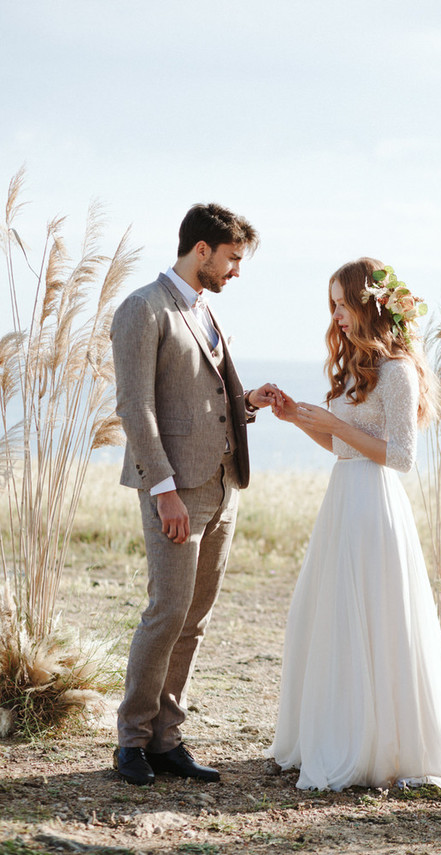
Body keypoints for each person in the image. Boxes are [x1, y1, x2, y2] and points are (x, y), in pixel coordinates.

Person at [266, 257, 441, 795]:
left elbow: (400, 456)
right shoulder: (354, 367)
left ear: (368, 305)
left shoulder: (400, 371)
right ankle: (336, 732)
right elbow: (342, 449)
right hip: (342, 501)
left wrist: (335, 422)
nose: (335, 315)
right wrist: (299, 419)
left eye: (342, 303)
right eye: (331, 304)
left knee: (376, 619)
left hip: (376, 507)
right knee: (330, 617)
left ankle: (382, 744)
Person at [111, 203, 280, 786]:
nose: (237, 272)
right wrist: (164, 491)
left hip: (224, 485)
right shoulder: (142, 308)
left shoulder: (205, 309)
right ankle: (130, 741)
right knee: (166, 612)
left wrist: (248, 402)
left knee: (196, 618)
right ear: (201, 249)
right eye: (233, 259)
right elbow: (136, 407)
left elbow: (199, 398)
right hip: (175, 491)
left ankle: (166, 738)